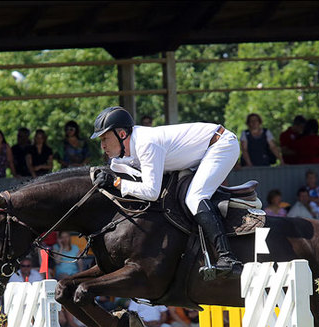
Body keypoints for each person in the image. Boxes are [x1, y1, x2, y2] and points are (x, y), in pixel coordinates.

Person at [91, 106, 243, 279]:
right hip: (200, 153)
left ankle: (228, 258)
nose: (102, 145)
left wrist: (117, 183)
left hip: (221, 145)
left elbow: (151, 192)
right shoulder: (127, 151)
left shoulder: (146, 143)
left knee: (194, 197)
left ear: (122, 134)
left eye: (105, 138)